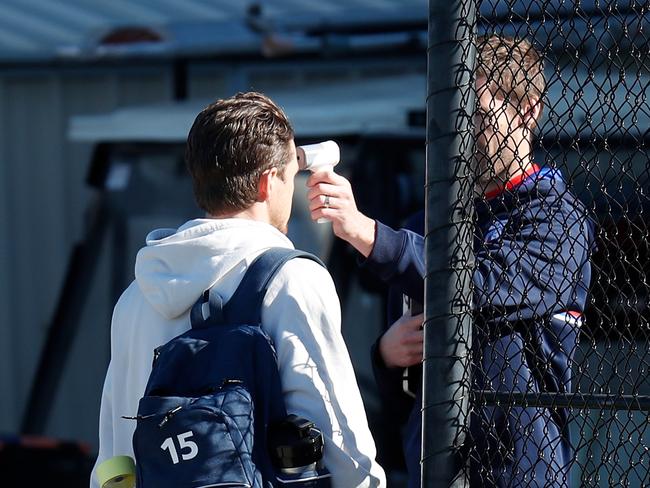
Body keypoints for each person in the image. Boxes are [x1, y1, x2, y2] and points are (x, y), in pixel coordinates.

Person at [307, 35, 594, 487]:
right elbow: (402, 396)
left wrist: (368, 234)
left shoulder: (557, 219)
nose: (459, 132)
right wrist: (387, 355)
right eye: (449, 117)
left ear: (527, 111)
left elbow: (480, 289)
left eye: (475, 114)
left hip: (520, 474)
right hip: (433, 469)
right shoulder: (425, 224)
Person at [90, 92, 386, 488]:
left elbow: (116, 449)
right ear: (268, 182)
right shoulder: (290, 278)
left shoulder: (137, 295)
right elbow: (334, 427)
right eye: (290, 173)